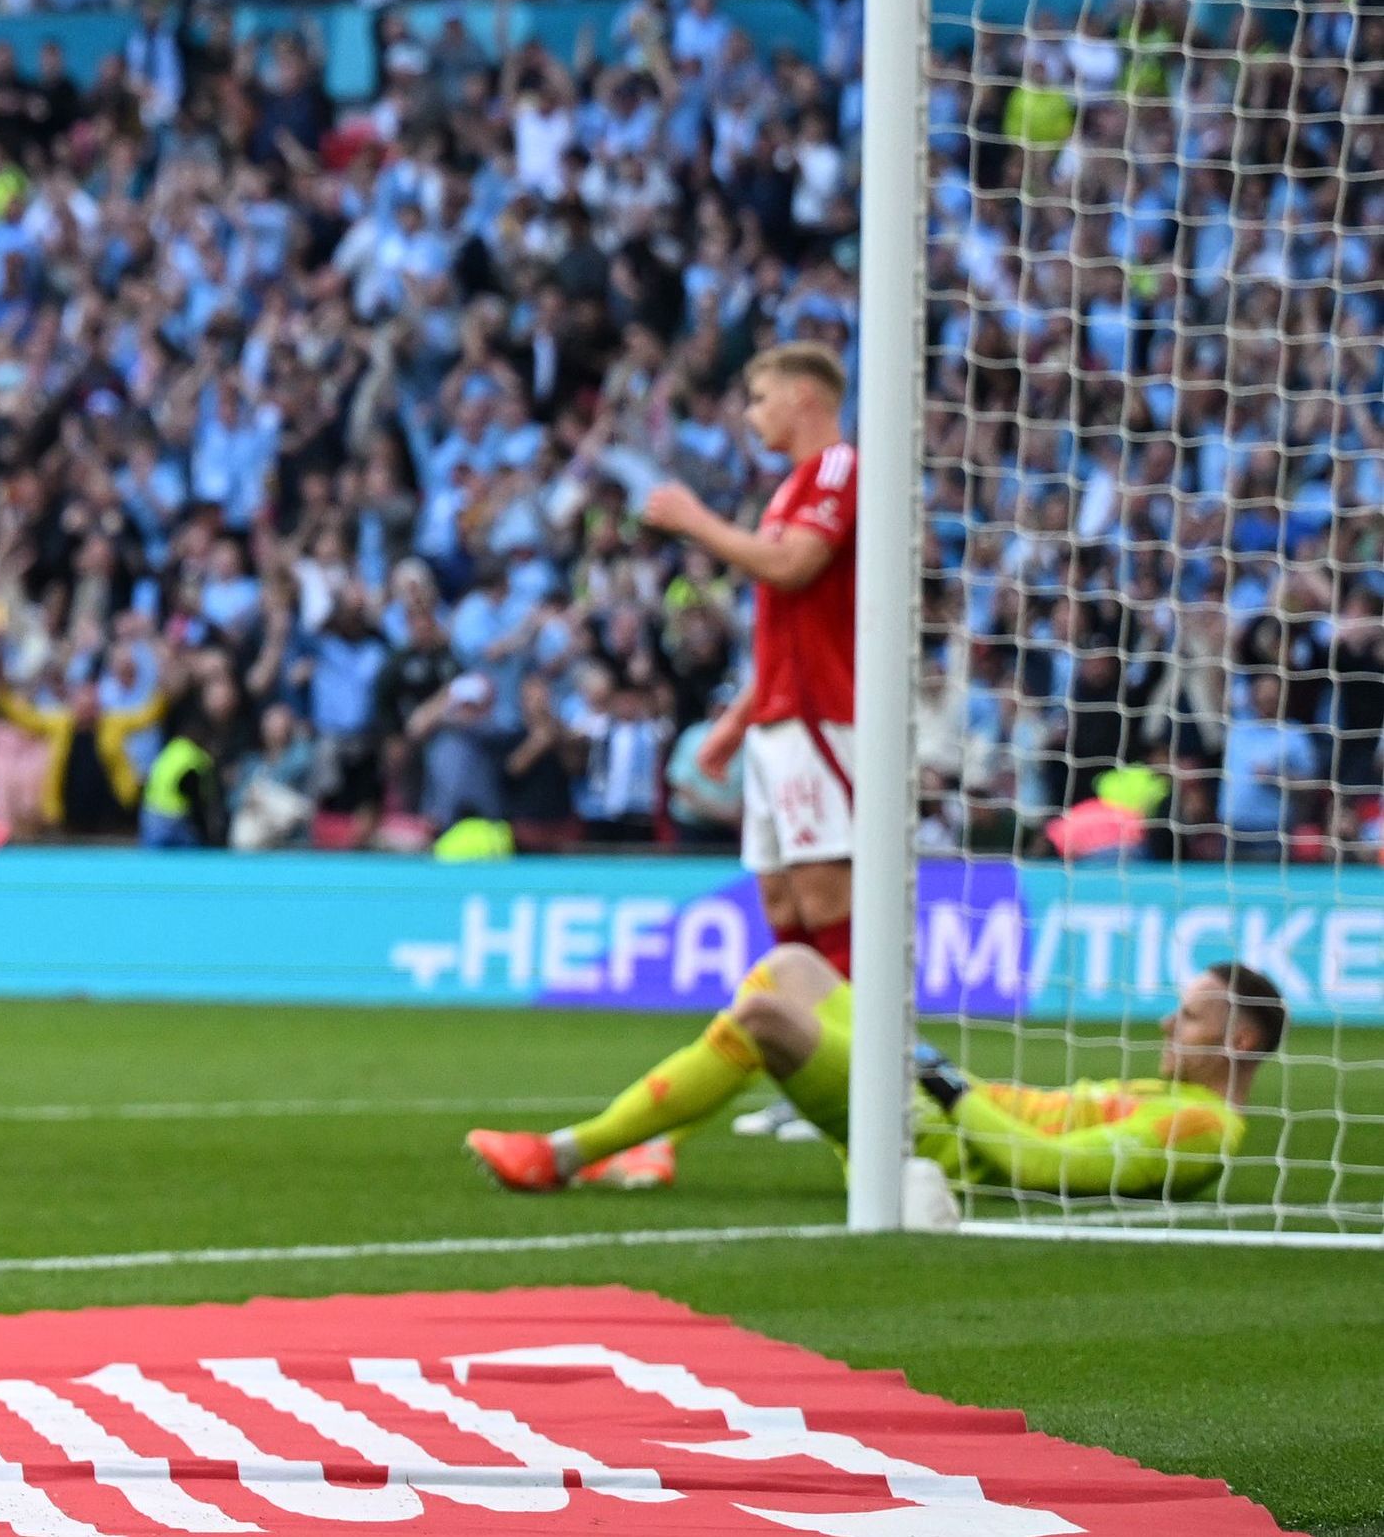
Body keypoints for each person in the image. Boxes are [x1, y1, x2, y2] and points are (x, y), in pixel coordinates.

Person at [473, 946, 1282, 1210]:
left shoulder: (1202, 1129)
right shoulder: (1165, 1095)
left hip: (926, 1123)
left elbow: (1046, 1168)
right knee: (789, 964)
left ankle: (565, 1153)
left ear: (1238, 1039)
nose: (1165, 1028)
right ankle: (657, 1143)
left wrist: (945, 1088)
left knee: (762, 1021)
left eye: (1190, 1019)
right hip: (938, 1093)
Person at [636, 345, 860, 969]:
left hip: (821, 714)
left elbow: (793, 567)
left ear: (803, 398)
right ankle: (809, 1052)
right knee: (782, 901)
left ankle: (851, 1061)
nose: (751, 415)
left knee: (823, 895)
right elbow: (786, 634)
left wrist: (695, 521)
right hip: (778, 717)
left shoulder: (839, 468)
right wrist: (735, 724)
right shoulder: (790, 487)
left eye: (760, 399)